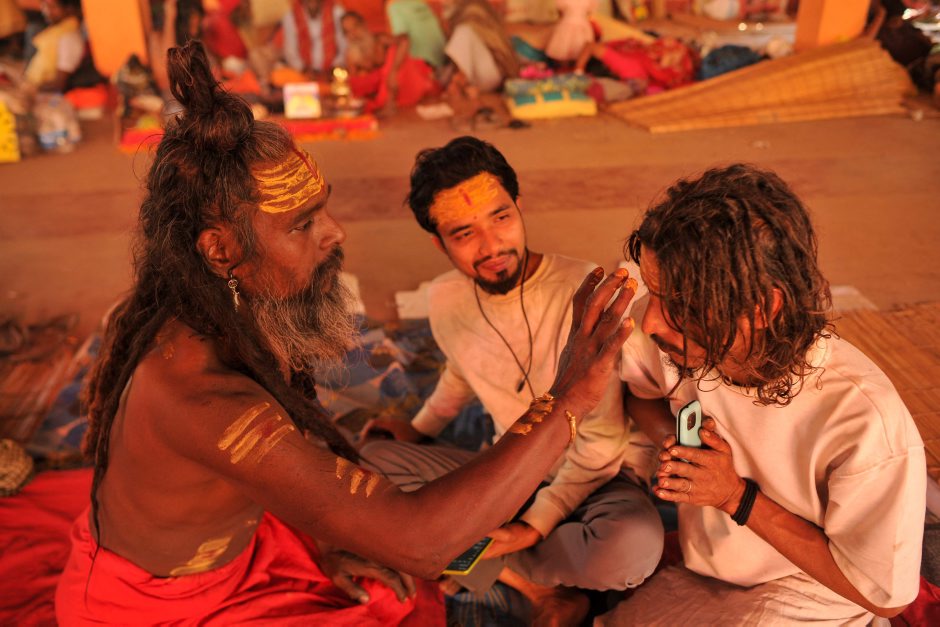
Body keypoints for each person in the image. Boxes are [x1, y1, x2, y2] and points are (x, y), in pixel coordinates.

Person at [53, 41, 637, 624]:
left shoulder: (234, 311)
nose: (336, 234)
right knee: (395, 583)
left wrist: (327, 540)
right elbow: (421, 543)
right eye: (303, 224)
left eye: (323, 210)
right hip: (152, 607)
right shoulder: (205, 402)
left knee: (383, 574)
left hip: (251, 545)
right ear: (221, 250)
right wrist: (567, 399)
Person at [598, 164, 926, 625]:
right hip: (708, 572)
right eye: (654, 293)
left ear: (763, 308)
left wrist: (734, 496)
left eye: (680, 303)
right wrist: (681, 453)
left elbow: (885, 596)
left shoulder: (863, 419)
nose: (651, 321)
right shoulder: (672, 341)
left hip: (812, 588)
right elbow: (641, 396)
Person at [361, 136, 664, 625]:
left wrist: (532, 528)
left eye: (500, 218)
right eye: (464, 233)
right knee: (368, 466)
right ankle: (537, 586)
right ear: (439, 243)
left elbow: (603, 443)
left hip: (597, 477)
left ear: (519, 207)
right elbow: (461, 373)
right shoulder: (445, 298)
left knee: (633, 546)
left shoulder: (584, 291)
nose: (492, 246)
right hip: (508, 470)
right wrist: (418, 430)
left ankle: (464, 556)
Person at [341, 10, 437, 114]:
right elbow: (355, 84)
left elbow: (405, 40)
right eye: (348, 31)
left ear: (363, 25)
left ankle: (389, 103)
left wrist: (393, 71)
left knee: (393, 54)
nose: (353, 34)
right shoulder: (351, 56)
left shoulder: (379, 40)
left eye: (355, 27)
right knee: (356, 82)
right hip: (380, 90)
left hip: (399, 81)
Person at [281, 0, 346, 75]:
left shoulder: (337, 13)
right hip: (303, 72)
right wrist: (304, 69)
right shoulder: (291, 16)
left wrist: (334, 67)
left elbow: (344, 47)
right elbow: (290, 51)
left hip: (334, 71)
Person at [385, 0, 446, 69]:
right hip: (442, 57)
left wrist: (393, 71)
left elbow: (404, 41)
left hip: (425, 64)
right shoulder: (420, 2)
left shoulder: (394, 7)